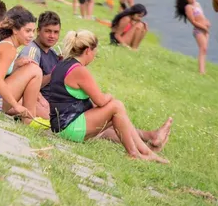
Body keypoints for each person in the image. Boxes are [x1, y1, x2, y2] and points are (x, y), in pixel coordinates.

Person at [44, 30, 171, 162]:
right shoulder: (79, 70)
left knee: (118, 116)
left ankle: (145, 150)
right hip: (68, 128)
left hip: (60, 125)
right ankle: (135, 153)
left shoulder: (62, 64)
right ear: (88, 50)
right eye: (95, 53)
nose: (94, 56)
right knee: (116, 106)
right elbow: (100, 101)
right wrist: (109, 95)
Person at [0, 6, 49, 126]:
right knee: (35, 70)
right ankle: (28, 120)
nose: (32, 35)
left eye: (33, 31)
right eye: (27, 31)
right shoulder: (9, 48)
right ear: (15, 30)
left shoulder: (5, 42)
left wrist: (17, 65)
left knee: (29, 68)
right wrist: (16, 106)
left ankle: (29, 118)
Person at [17, 11, 62, 95]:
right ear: (38, 31)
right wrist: (54, 73)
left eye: (56, 32)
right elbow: (26, 86)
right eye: (48, 31)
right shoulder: (32, 51)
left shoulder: (53, 52)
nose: (52, 36)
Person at [175, 0, 210, 74]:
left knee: (205, 50)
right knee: (202, 49)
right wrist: (203, 27)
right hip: (198, 30)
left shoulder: (197, 4)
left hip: (205, 29)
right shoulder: (188, 7)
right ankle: (201, 71)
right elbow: (193, 21)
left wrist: (207, 22)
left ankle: (203, 69)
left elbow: (202, 16)